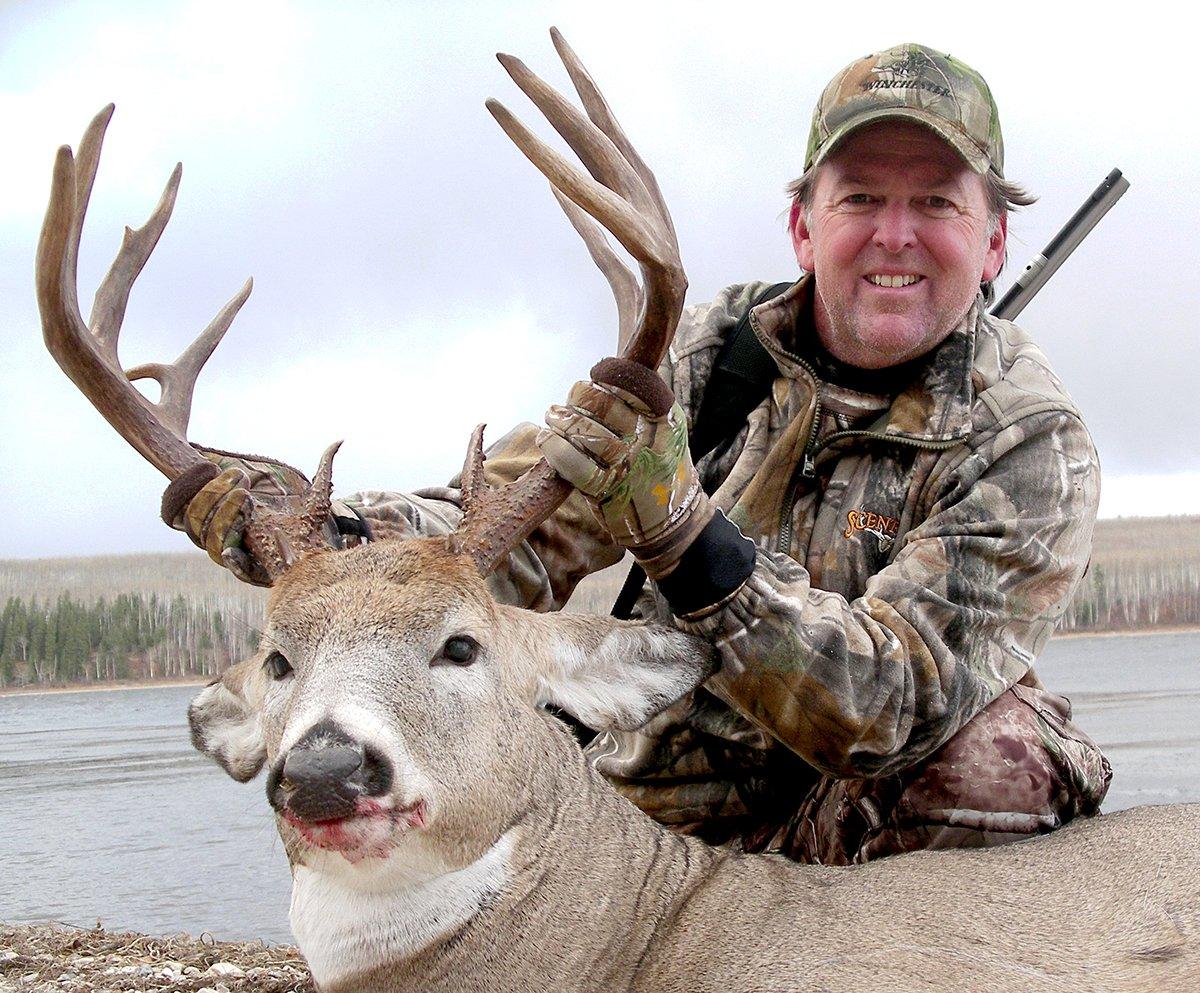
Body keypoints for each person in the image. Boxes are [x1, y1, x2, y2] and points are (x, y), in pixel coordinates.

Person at [169, 43, 1110, 865]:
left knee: (1003, 761)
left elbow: (897, 705)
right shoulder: (702, 359)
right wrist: (324, 537)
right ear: (804, 226)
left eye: (936, 203)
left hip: (848, 840)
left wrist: (688, 540)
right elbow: (502, 539)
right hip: (640, 826)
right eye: (860, 196)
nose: (894, 234)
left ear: (991, 243)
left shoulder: (1028, 441)